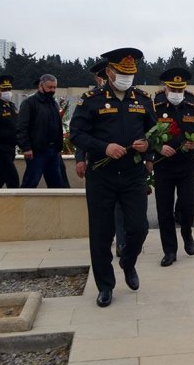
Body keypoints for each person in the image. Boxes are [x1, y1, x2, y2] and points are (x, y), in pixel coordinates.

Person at [70, 48, 157, 307]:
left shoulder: (142, 100)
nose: (126, 78)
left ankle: (128, 262)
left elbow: (152, 131)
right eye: (121, 73)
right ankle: (105, 286)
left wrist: (148, 146)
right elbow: (76, 134)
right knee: (101, 234)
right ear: (109, 72)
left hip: (133, 174)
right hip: (102, 175)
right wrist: (103, 147)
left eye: (130, 74)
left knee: (139, 227)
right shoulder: (91, 100)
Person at [153, 67, 194, 266]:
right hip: (163, 168)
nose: (176, 94)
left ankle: (187, 233)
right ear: (166, 88)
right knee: (164, 210)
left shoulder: (191, 109)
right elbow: (145, 134)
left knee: (188, 204)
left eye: (179, 90)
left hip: (186, 167)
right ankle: (170, 250)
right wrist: (159, 147)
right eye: (173, 90)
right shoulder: (156, 107)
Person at [74, 60, 126, 258]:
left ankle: (122, 243)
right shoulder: (90, 100)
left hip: (124, 167)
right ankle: (108, 240)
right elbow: (81, 136)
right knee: (104, 216)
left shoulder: (128, 99)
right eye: (100, 78)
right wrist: (80, 159)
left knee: (121, 209)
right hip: (99, 165)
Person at [17, 74, 64, 188]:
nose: (52, 90)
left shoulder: (54, 103)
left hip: (53, 151)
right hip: (36, 152)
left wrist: (59, 147)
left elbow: (57, 126)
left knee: (56, 186)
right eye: (49, 87)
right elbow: (21, 127)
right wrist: (26, 148)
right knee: (30, 183)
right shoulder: (29, 103)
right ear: (40, 86)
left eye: (54, 87)